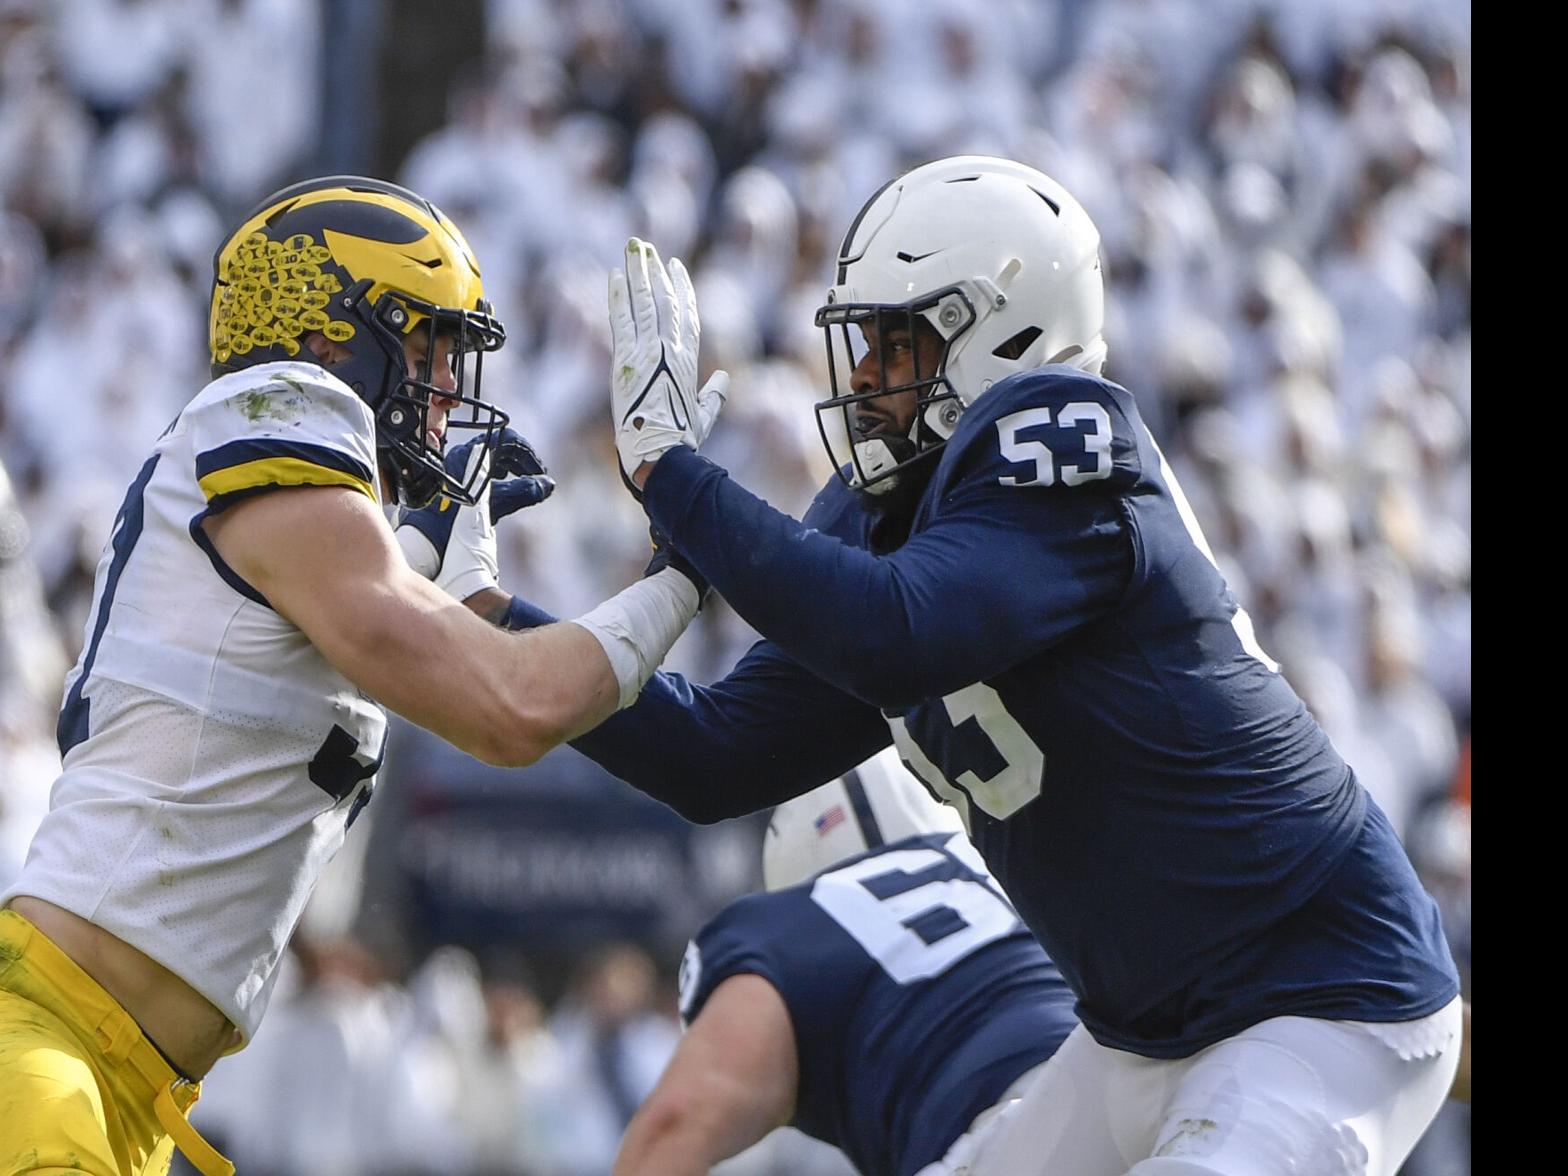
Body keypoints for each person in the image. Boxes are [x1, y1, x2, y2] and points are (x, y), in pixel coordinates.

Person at [499, 157, 1462, 1173]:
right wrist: (488, 614)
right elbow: (714, 754)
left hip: (1316, 996)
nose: (865, 373)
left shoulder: (1069, 442)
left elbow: (899, 630)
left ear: (1004, 332)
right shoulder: (887, 515)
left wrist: (675, 475)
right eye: (863, 341)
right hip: (1136, 1036)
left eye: (899, 338)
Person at [0, 176, 718, 1176]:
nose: (441, 388)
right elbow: (514, 708)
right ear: (331, 334)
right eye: (422, 347)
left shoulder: (291, 512)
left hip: (124, 1088)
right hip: (46, 1056)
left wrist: (446, 577)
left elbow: (487, 670)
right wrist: (695, 558)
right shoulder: (277, 407)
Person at [614, 747, 1079, 1176]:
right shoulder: (1011, 874)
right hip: (1120, 1085)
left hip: (999, 1131)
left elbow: (674, 1126)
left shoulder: (784, 929)